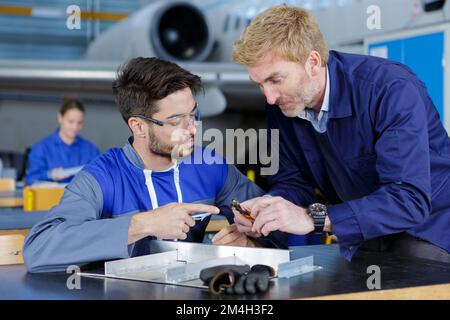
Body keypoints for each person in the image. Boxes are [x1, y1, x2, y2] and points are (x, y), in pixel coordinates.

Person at [23, 57, 287, 273]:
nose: (192, 129)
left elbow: (277, 225)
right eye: (175, 121)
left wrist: (252, 242)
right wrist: (142, 225)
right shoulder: (103, 177)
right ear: (138, 126)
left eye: (193, 115)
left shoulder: (210, 166)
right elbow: (38, 249)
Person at [231, 5, 450, 263]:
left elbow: (408, 199)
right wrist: (269, 208)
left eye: (276, 80)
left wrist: (311, 218)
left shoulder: (390, 90)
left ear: (312, 62)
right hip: (364, 235)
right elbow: (294, 182)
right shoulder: (284, 106)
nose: (269, 97)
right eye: (260, 84)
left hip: (430, 233)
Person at [25, 98, 99, 185]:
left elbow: (99, 178)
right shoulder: (41, 149)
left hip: (81, 198)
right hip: (50, 198)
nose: (75, 127)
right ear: (60, 118)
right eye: (71, 122)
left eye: (79, 123)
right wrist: (49, 175)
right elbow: (30, 179)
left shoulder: (91, 150)